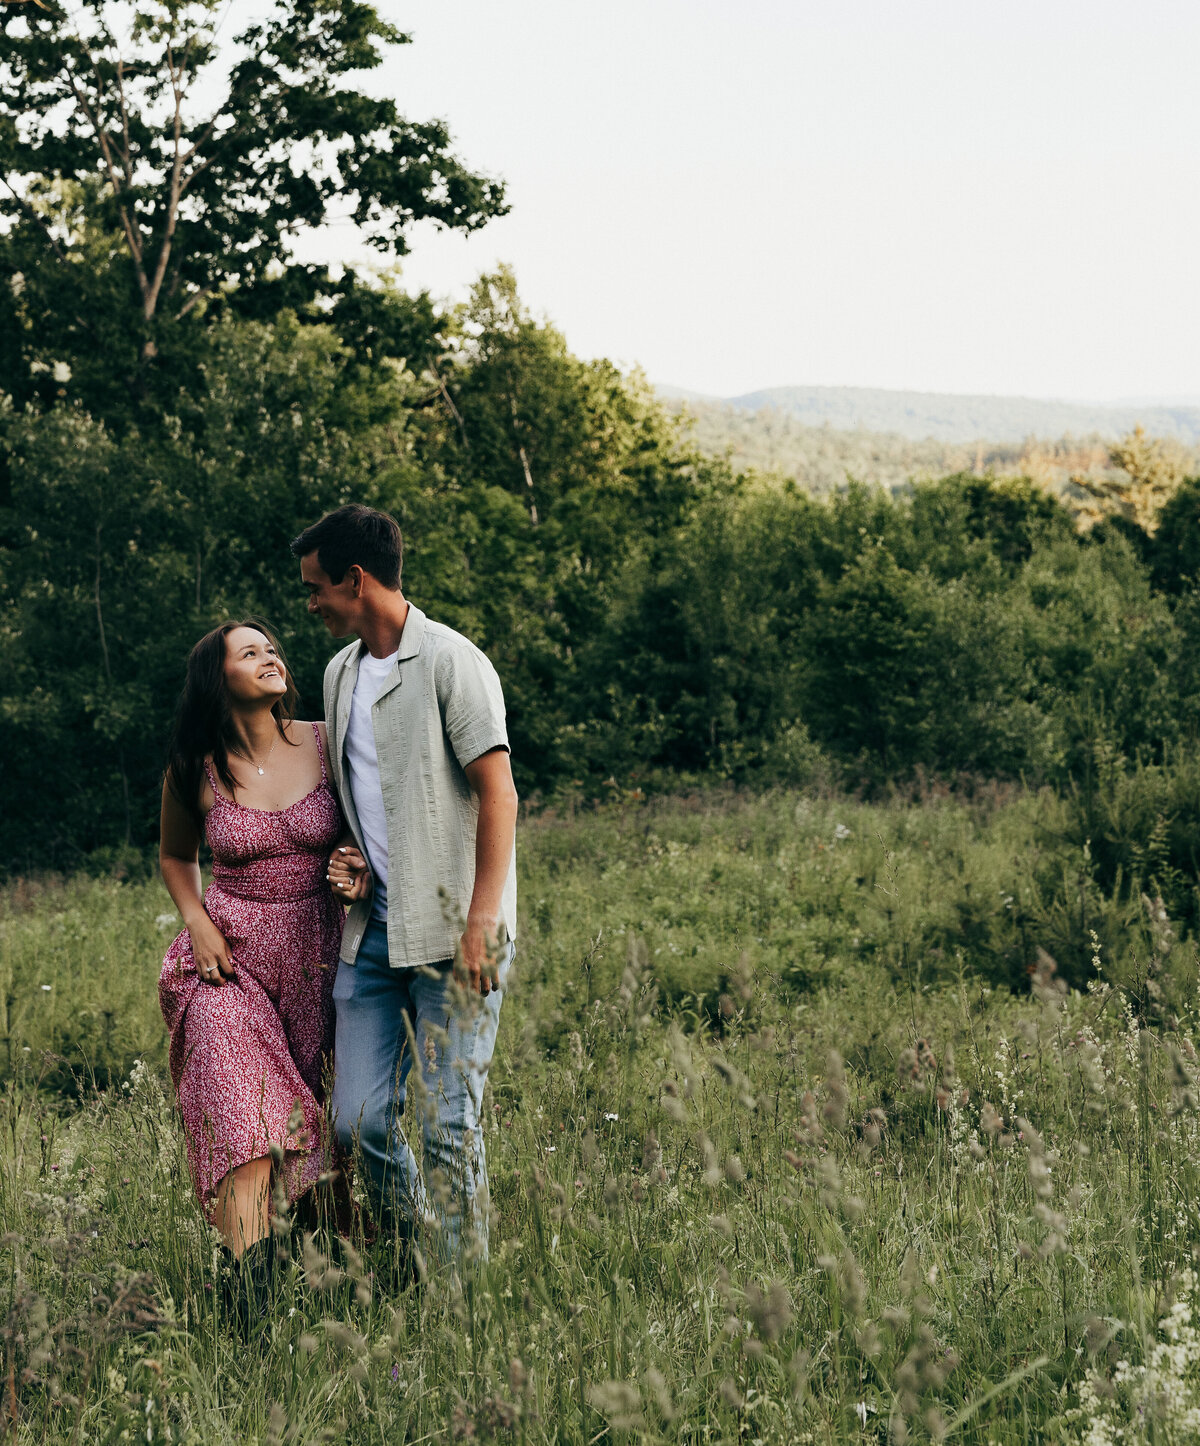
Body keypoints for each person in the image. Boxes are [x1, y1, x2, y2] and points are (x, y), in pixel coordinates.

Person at [290, 504, 518, 1265]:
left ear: (356, 579)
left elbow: (499, 792)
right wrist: (352, 855)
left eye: (316, 587)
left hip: (457, 931)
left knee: (449, 1125)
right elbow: (370, 795)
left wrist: (483, 920)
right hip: (373, 934)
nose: (311, 602)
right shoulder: (338, 674)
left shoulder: (453, 661)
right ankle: (424, 1238)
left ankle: (464, 1293)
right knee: (358, 1121)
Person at [158, 619, 346, 1310]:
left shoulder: (327, 741)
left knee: (323, 1135)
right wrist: (197, 922)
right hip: (227, 967)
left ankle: (330, 1279)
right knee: (244, 1128)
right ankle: (252, 1307)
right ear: (220, 677)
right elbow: (176, 857)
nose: (271, 657)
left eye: (272, 648)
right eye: (250, 652)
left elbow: (367, 831)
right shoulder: (195, 765)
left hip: (318, 958)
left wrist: (355, 868)